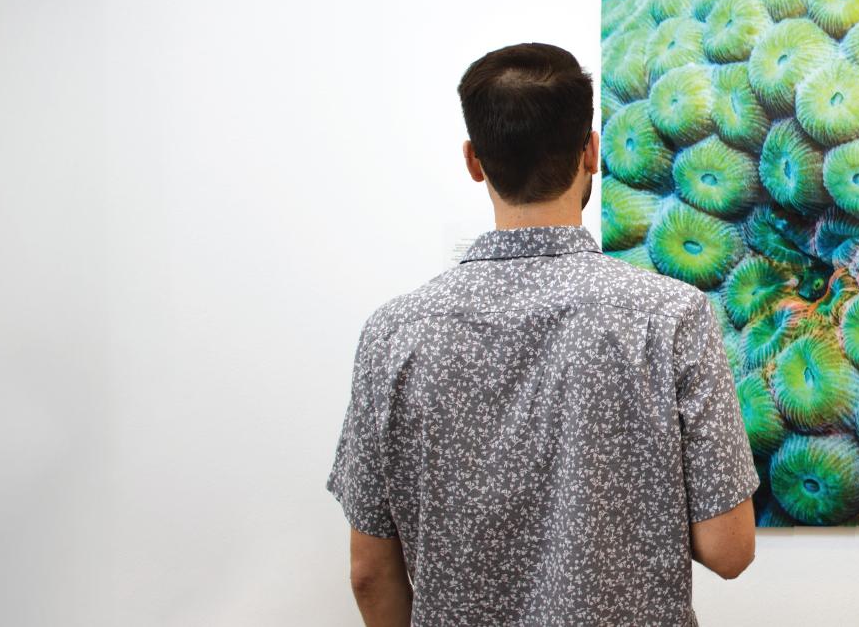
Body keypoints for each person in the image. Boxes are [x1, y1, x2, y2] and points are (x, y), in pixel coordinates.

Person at [325, 42, 759, 626]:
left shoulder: (393, 333)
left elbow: (369, 572)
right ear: (592, 152)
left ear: (474, 161)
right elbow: (729, 552)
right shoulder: (670, 316)